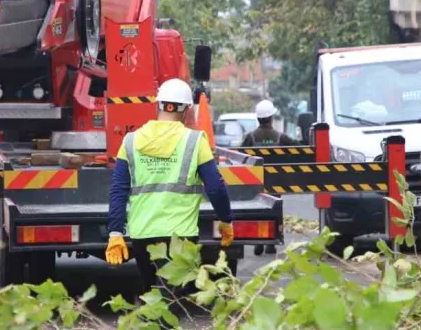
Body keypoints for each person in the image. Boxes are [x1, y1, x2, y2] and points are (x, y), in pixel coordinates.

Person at [105, 79, 234, 295]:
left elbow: (118, 190)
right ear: (186, 110)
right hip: (181, 236)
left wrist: (115, 232)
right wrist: (225, 220)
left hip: (142, 234)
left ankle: (156, 328)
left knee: (153, 294)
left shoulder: (130, 141)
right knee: (170, 297)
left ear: (158, 105)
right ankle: (162, 329)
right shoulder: (194, 141)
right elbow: (215, 187)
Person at [241, 99, 295, 255]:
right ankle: (271, 242)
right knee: (275, 209)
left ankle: (258, 241)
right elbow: (297, 149)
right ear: (272, 117)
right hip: (276, 181)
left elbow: (239, 155)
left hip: (256, 181)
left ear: (258, 118)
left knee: (258, 209)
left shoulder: (250, 137)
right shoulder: (281, 137)